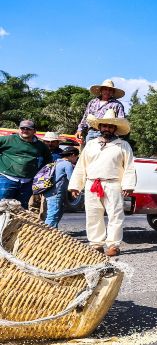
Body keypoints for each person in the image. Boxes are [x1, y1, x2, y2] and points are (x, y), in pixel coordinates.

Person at [69, 109, 136, 256]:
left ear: (115, 129)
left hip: (114, 184)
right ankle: (96, 244)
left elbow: (129, 166)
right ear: (99, 127)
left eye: (110, 126)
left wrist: (128, 185)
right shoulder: (91, 144)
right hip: (92, 184)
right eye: (104, 126)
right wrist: (76, 186)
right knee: (93, 214)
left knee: (116, 215)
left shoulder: (123, 145)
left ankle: (113, 245)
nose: (107, 128)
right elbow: (81, 166)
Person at [0, 120, 52, 208]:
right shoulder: (8, 139)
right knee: (2, 206)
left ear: (34, 131)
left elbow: (48, 161)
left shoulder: (41, 146)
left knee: (21, 208)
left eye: (28, 129)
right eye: (22, 128)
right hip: (7, 179)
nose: (25, 130)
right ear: (19, 129)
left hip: (27, 182)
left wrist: (39, 174)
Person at [76, 79, 126, 144]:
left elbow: (120, 121)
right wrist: (80, 130)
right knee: (90, 149)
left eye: (110, 90)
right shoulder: (93, 102)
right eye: (105, 89)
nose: (107, 92)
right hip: (91, 132)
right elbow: (86, 117)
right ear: (101, 90)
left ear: (113, 92)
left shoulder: (117, 105)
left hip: (106, 134)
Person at [29, 131, 63, 218]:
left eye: (53, 142)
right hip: (35, 182)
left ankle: (43, 225)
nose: (50, 144)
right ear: (44, 142)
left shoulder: (62, 154)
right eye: (47, 141)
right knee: (33, 205)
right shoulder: (37, 151)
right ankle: (33, 224)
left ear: (57, 142)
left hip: (51, 184)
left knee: (45, 207)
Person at [43, 147, 79, 228]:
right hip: (56, 193)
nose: (76, 159)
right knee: (53, 215)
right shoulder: (67, 164)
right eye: (77, 157)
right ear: (73, 155)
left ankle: (53, 231)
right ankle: (48, 232)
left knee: (55, 213)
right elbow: (71, 179)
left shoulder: (56, 162)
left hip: (49, 192)